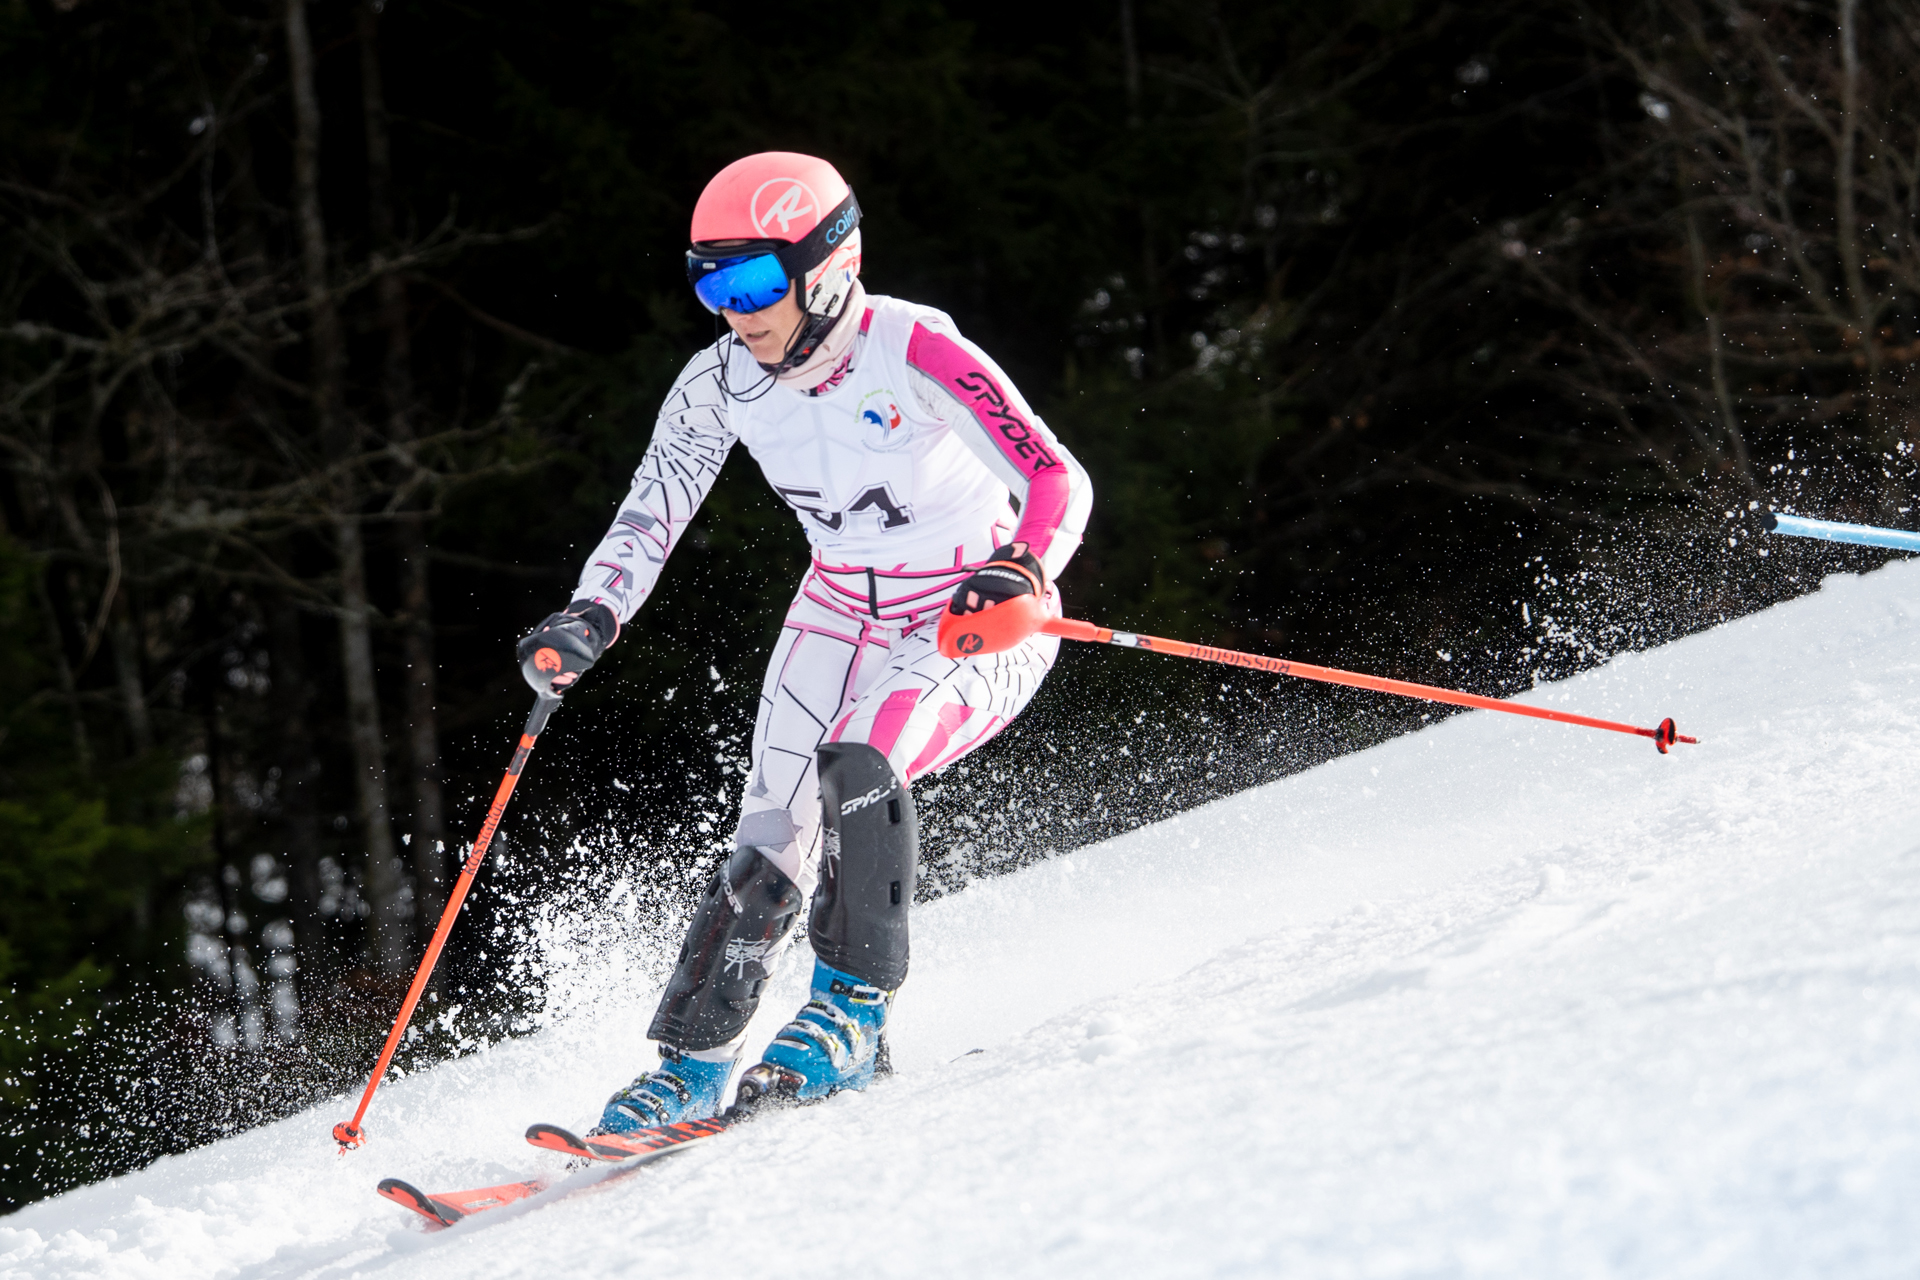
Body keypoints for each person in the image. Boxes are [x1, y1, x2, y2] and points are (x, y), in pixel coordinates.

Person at [517, 152, 1092, 1130]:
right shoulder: (720, 382)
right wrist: (592, 613)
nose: (734, 312)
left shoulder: (913, 346)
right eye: (710, 286)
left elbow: (1055, 475)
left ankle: (851, 1018)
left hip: (968, 612)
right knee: (774, 815)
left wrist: (1023, 567)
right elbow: (652, 510)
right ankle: (694, 1064)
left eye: (752, 283)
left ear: (827, 266)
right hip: (836, 606)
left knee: (860, 758)